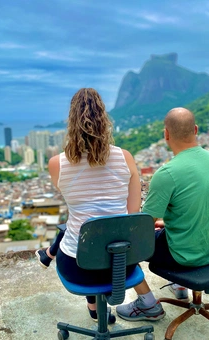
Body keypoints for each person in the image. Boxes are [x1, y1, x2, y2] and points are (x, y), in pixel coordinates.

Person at [35, 88, 141, 321]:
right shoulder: (126, 158)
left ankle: (93, 309)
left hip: (78, 268)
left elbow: (76, 203)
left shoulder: (57, 164)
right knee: (96, 235)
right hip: (123, 266)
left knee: (80, 230)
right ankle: (96, 309)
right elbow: (133, 214)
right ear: (105, 121)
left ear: (71, 122)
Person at [116, 107, 209, 322]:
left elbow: (143, 226)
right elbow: (197, 210)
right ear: (195, 130)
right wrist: (164, 224)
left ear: (166, 134)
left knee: (122, 247)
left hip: (184, 255)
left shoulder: (168, 173)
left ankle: (147, 305)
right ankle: (179, 285)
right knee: (162, 231)